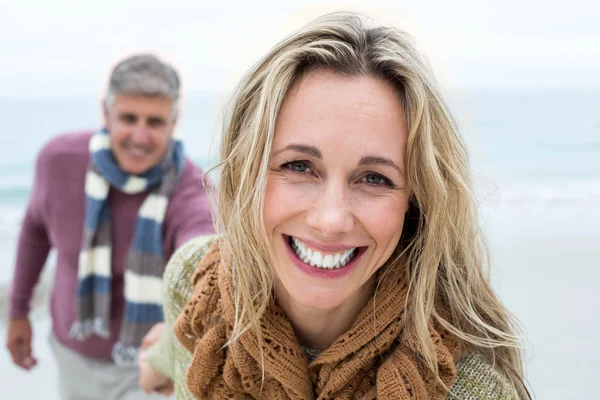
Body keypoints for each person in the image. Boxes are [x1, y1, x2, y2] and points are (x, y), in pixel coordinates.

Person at [140, 12, 531, 399]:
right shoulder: (194, 287)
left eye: (375, 178)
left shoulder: (471, 388)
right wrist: (155, 365)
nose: (330, 220)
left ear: (416, 200)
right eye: (299, 166)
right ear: (246, 172)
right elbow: (170, 358)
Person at [6, 53, 214, 399]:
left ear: (174, 122)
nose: (140, 135)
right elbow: (35, 229)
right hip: (71, 352)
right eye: (129, 118)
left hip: (150, 367)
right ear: (106, 114)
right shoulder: (58, 161)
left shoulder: (193, 190)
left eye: (155, 122)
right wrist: (18, 310)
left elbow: (202, 254)